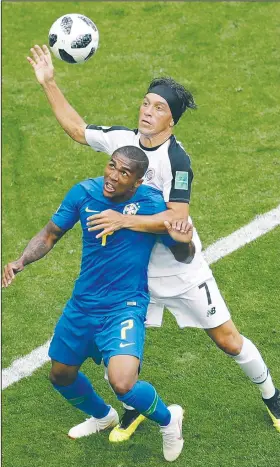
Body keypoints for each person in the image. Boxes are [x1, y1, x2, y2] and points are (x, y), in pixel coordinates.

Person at [26, 45, 280, 440]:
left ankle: (272, 396)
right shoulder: (122, 143)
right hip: (133, 276)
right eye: (146, 103)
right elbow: (78, 129)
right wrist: (49, 83)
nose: (147, 111)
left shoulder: (177, 160)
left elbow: (176, 219)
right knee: (121, 357)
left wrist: (124, 220)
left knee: (228, 340)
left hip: (180, 269)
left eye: (159, 107)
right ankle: (132, 409)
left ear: (172, 120)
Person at [2, 145, 197, 462]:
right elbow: (51, 234)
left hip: (124, 306)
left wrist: (184, 241)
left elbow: (182, 255)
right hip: (82, 305)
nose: (113, 176)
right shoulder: (84, 192)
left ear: (136, 183)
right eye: (112, 166)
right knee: (61, 375)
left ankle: (168, 420)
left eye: (123, 173)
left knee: (123, 382)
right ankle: (103, 416)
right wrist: (21, 260)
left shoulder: (149, 203)